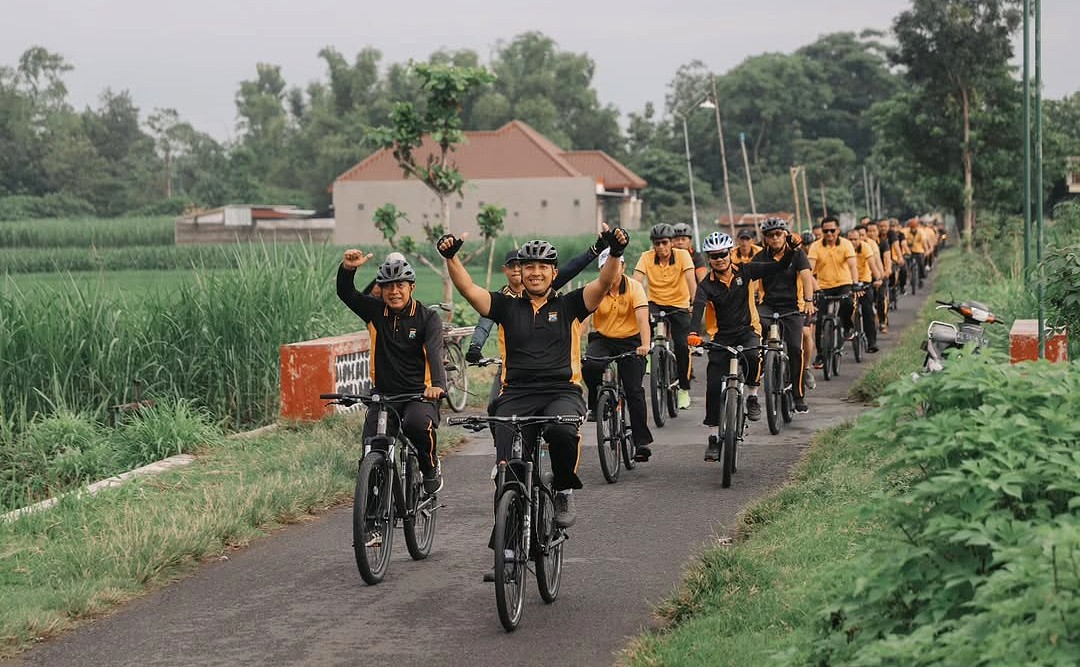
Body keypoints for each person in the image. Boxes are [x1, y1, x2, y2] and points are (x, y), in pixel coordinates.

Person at [438, 228, 631, 530]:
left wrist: (616, 252)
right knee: (508, 472)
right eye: (529, 267)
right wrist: (451, 258)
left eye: (543, 267)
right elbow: (469, 290)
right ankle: (509, 547)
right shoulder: (505, 306)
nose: (536, 273)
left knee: (562, 431)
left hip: (561, 392)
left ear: (554, 272)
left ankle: (564, 490)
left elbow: (605, 281)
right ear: (520, 272)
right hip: (516, 393)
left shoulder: (569, 304)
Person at [336, 252, 446, 494]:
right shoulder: (375, 312)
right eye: (388, 287)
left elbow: (435, 353)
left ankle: (430, 466)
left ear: (412, 287)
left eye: (400, 285)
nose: (394, 291)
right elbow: (346, 294)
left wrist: (437, 385)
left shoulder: (428, 318)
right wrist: (347, 269)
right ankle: (372, 519)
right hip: (384, 395)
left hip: (420, 395)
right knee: (374, 446)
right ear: (380, 289)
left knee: (417, 426)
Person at [687, 230, 802, 461]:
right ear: (709, 259)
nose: (719, 259)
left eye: (722, 254)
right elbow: (698, 306)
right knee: (711, 386)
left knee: (752, 355)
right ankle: (713, 437)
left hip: (748, 331)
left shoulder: (746, 270)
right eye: (714, 255)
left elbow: (779, 266)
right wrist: (693, 332)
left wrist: (792, 249)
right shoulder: (706, 285)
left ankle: (751, 396)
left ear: (730, 254)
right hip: (721, 337)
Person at [465, 229, 611, 365]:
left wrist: (595, 250)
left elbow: (571, 268)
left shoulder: (542, 287)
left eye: (519, 265)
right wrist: (475, 347)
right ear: (505, 270)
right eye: (512, 266)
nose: (516, 269)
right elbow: (484, 324)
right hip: (512, 364)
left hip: (550, 363)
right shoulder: (501, 299)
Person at [581, 248, 654, 461]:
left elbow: (642, 318)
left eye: (615, 266)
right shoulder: (595, 289)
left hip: (632, 341)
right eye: (605, 268)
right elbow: (583, 321)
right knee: (590, 365)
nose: (611, 271)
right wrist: (573, 347)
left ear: (623, 266)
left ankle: (641, 442)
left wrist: (645, 344)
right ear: (601, 270)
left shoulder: (634, 287)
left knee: (634, 390)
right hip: (604, 339)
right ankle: (595, 403)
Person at [752, 217, 815, 413]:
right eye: (771, 235)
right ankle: (762, 365)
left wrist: (808, 300)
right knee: (755, 331)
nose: (775, 238)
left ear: (785, 235)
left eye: (779, 234)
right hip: (768, 305)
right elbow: (751, 281)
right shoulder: (761, 257)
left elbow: (806, 278)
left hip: (793, 307)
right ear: (766, 239)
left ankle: (798, 395)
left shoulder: (797, 255)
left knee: (796, 349)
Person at [634, 223, 697, 410]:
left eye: (664, 243)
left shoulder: (683, 256)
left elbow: (691, 282)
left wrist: (695, 303)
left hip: (679, 305)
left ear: (671, 243)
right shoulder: (646, 257)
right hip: (655, 302)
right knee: (640, 322)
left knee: (682, 346)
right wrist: (634, 302)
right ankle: (649, 356)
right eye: (656, 243)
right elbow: (636, 283)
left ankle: (684, 389)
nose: (660, 247)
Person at [807, 216, 860, 369]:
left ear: (838, 230)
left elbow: (852, 267)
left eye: (832, 230)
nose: (829, 234)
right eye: (825, 231)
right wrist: (815, 288)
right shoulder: (815, 246)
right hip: (823, 286)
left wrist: (855, 284)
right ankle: (820, 355)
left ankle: (847, 326)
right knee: (819, 320)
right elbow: (808, 271)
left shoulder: (846, 244)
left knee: (848, 303)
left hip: (844, 283)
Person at [846, 226, 883, 353]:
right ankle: (847, 330)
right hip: (848, 282)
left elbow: (872, 265)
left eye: (856, 239)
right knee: (845, 307)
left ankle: (871, 342)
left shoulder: (865, 247)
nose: (853, 242)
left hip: (864, 283)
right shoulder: (844, 248)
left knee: (868, 311)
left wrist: (878, 278)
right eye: (850, 239)